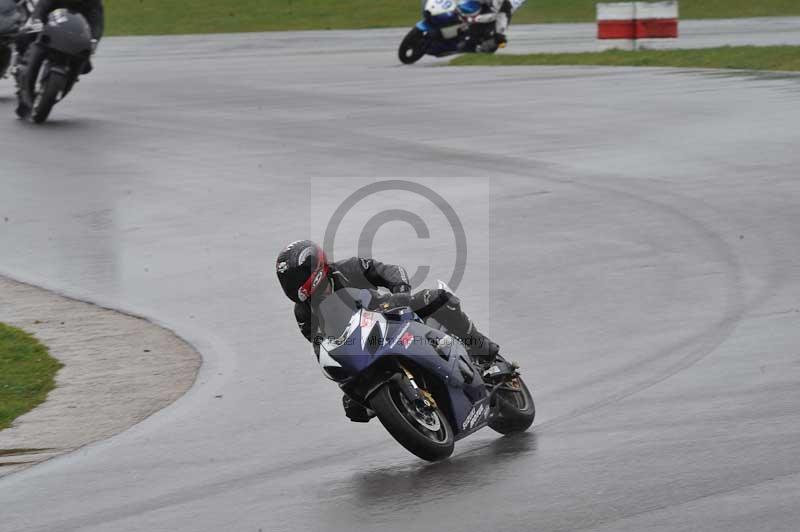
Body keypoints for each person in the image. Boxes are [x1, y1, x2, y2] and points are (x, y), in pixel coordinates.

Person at [276, 240, 500, 422]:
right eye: (288, 281)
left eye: (297, 278)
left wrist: (401, 291)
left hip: (389, 313)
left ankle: (481, 349)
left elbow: (388, 271)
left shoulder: (346, 269)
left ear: (315, 266)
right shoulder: (304, 312)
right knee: (353, 408)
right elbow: (319, 344)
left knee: (439, 299)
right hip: (360, 346)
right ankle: (404, 406)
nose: (293, 285)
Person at [14, 0, 104, 117]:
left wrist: (94, 39)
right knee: (25, 36)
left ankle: (70, 78)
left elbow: (97, 21)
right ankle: (20, 66)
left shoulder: (94, 2)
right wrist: (37, 20)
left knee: (85, 63)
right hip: (49, 27)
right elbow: (42, 6)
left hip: (74, 37)